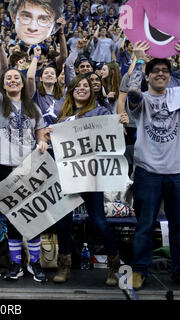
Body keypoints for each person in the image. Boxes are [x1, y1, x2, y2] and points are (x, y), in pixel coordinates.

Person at [127, 40, 180, 290]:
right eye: (155, 71)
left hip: (178, 171)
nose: (161, 73)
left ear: (170, 76)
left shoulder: (178, 94)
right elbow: (133, 93)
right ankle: (139, 269)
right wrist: (139, 59)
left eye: (165, 71)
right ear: (147, 77)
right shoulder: (141, 99)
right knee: (144, 225)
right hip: (148, 172)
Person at [49, 74, 128, 285]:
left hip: (91, 176)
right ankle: (64, 265)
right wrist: (48, 136)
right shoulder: (62, 115)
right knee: (63, 222)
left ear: (91, 91)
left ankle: (114, 265)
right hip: (67, 176)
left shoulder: (100, 111)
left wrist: (120, 121)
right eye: (78, 86)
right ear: (71, 90)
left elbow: (114, 131)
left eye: (86, 85)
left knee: (99, 221)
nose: (82, 88)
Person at [0, 34, 50, 283]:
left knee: (31, 217)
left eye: (16, 78)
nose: (12, 80)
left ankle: (34, 263)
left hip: (29, 167)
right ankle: (15, 264)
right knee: (12, 217)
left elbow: (41, 133)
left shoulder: (33, 107)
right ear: (4, 85)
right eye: (8, 78)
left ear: (23, 84)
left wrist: (44, 141)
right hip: (4, 168)